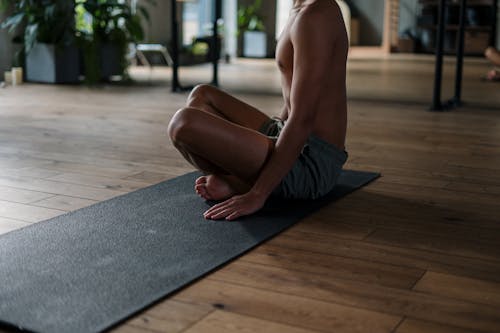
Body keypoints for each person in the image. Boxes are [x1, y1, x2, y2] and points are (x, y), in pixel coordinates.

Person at [167, 0, 348, 220]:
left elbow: (303, 118)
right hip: (290, 133)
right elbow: (295, 96)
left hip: (312, 162)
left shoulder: (316, 16)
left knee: (183, 124)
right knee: (202, 96)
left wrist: (257, 195)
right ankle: (238, 179)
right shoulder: (299, 7)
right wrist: (263, 138)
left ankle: (243, 183)